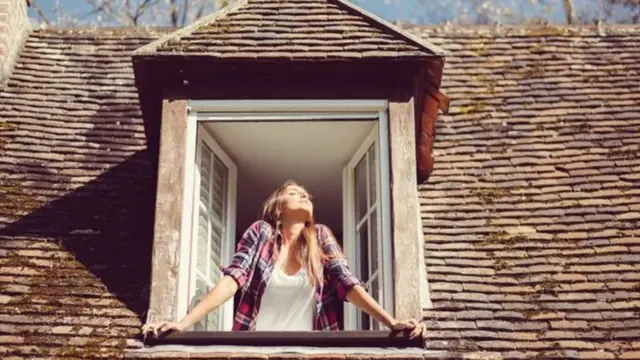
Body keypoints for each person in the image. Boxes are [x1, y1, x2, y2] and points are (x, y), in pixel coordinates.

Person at [142, 180, 426, 339]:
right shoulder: (262, 233)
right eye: (294, 193)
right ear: (278, 209)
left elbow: (347, 284)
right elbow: (232, 281)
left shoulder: (321, 237)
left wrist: (392, 323)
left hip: (307, 352)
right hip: (257, 350)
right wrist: (184, 323)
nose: (303, 195)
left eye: (306, 194)